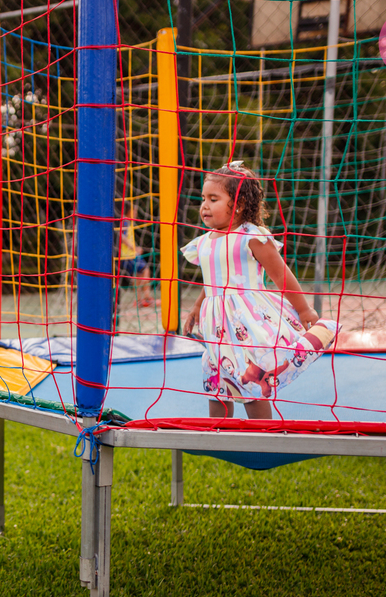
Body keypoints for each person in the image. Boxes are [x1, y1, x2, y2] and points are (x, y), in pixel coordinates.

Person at [181, 162, 338, 419]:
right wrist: (197, 307)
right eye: (203, 199)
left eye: (213, 199)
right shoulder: (205, 241)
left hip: (245, 320)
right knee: (215, 378)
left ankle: (263, 434)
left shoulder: (250, 237)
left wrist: (304, 309)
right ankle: (218, 434)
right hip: (216, 326)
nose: (205, 206)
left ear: (239, 204)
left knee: (249, 380)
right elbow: (213, 279)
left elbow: (280, 274)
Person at [116, 209, 154, 308]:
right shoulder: (125, 221)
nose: (136, 213)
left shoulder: (127, 222)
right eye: (134, 210)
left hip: (127, 255)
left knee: (137, 276)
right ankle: (147, 297)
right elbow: (121, 237)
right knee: (146, 270)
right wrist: (134, 248)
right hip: (129, 255)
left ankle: (139, 300)